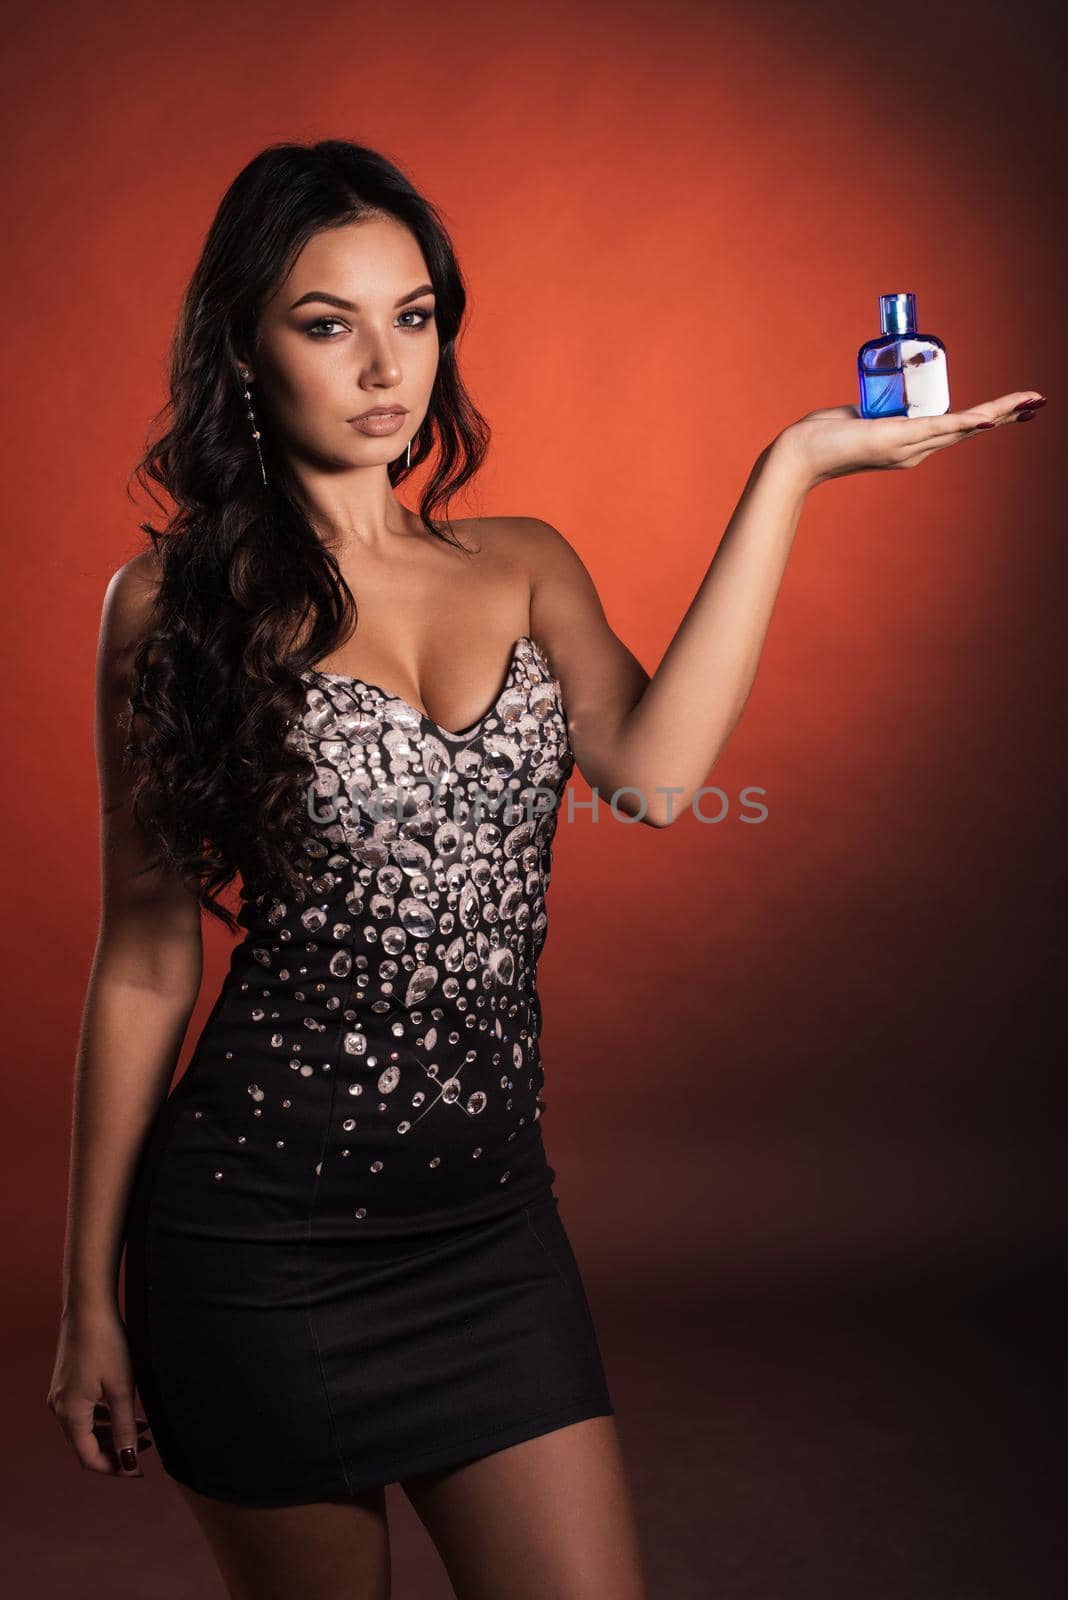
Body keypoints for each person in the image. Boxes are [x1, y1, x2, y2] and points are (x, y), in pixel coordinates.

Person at [46, 137, 1044, 1600]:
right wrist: (85, 1300)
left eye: (415, 316)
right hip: (259, 1246)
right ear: (245, 352)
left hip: (492, 1229)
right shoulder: (169, 608)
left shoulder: (520, 562)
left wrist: (791, 472)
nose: (386, 366)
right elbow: (144, 957)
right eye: (329, 325)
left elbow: (655, 778)